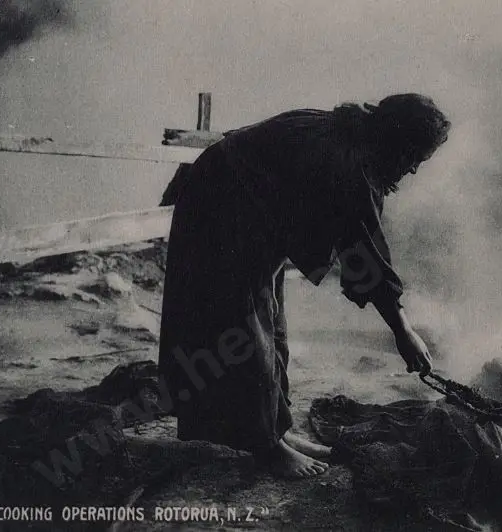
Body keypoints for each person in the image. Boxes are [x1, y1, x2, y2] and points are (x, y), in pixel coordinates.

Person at [158, 93, 451, 478]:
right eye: (415, 158)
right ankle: (267, 447)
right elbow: (364, 255)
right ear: (397, 142)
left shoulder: (349, 133)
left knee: (269, 319)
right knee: (245, 330)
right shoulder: (350, 162)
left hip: (244, 209)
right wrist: (403, 330)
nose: (412, 170)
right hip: (219, 209)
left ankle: (276, 429)